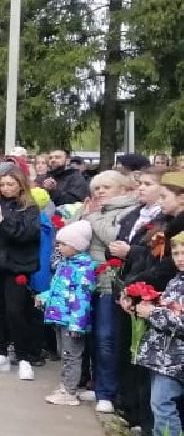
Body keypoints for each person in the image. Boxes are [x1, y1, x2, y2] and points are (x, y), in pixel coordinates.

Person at [0, 164, 43, 381]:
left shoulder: (30, 208)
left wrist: (3, 220)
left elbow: (26, 235)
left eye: (10, 184)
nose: (5, 188)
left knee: (16, 310)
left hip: (17, 265)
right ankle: (0, 351)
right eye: (2, 184)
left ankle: (23, 357)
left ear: (21, 185)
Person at [81, 169, 137, 414]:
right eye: (97, 188)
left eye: (106, 187)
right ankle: (96, 383)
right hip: (89, 280)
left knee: (107, 338)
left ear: (123, 189)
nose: (100, 192)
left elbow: (113, 238)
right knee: (92, 336)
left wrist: (92, 218)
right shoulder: (98, 210)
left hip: (110, 281)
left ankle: (107, 392)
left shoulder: (128, 211)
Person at [132, 231, 184, 436]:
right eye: (177, 253)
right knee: (159, 403)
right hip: (163, 355)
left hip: (176, 358)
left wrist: (152, 313)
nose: (180, 258)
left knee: (162, 403)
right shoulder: (176, 280)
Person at [39, 220, 97, 406]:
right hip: (60, 316)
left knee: (71, 354)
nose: (59, 247)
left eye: (63, 244)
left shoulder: (83, 268)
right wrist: (45, 296)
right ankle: (65, 385)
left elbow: (82, 299)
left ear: (77, 246)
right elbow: (59, 289)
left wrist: (77, 324)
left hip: (71, 321)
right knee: (63, 352)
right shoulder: (66, 264)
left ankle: (70, 391)